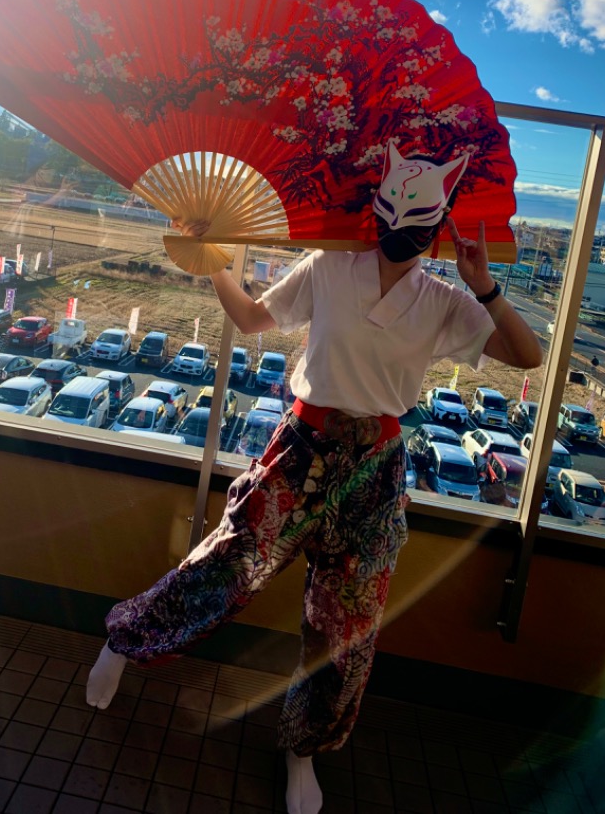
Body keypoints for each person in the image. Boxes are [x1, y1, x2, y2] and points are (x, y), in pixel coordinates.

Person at [87, 143, 542, 814]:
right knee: (227, 564)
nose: (401, 230)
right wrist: (216, 259)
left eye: (418, 217)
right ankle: (125, 638)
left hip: (375, 467)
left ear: (441, 220)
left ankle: (304, 748)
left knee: (346, 622)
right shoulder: (331, 266)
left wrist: (485, 285)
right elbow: (250, 319)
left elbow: (526, 354)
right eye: (393, 210)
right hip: (302, 446)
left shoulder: (444, 302)